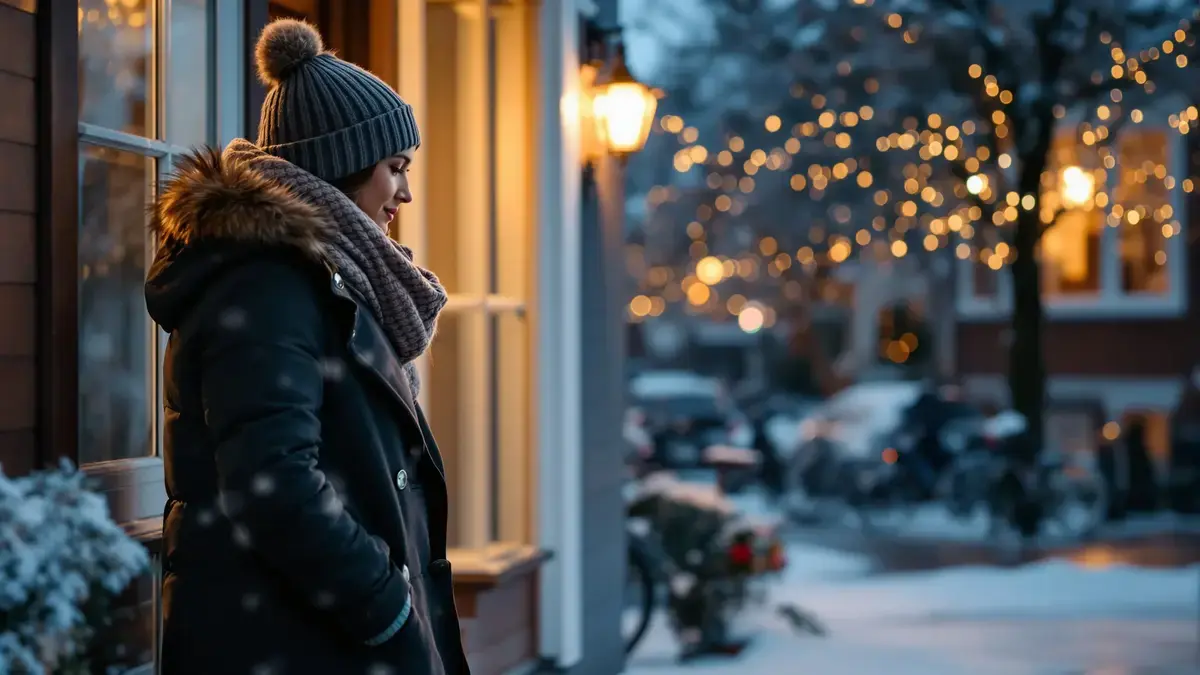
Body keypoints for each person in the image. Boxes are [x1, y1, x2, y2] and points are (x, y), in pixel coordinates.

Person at [145, 19, 467, 675]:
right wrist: (388, 607)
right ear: (342, 165)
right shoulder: (266, 283)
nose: (404, 193)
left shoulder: (316, 277)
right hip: (289, 644)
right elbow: (275, 483)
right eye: (394, 168)